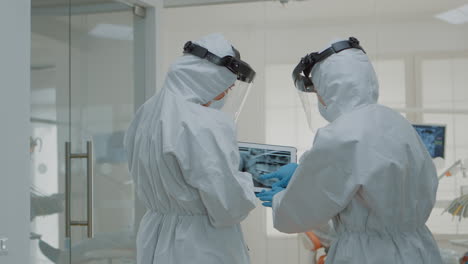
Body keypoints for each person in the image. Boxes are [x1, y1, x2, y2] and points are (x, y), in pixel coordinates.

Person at [257, 37, 443, 263]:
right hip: (419, 249)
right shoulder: (397, 122)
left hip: (368, 255)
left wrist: (280, 199)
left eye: (317, 91)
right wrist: (302, 171)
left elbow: (300, 213)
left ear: (329, 88)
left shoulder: (340, 134)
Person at [124, 33, 257, 264]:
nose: (225, 94)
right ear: (211, 79)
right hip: (200, 245)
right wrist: (247, 182)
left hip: (154, 235)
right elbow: (228, 206)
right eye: (227, 86)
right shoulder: (206, 122)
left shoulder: (146, 113)